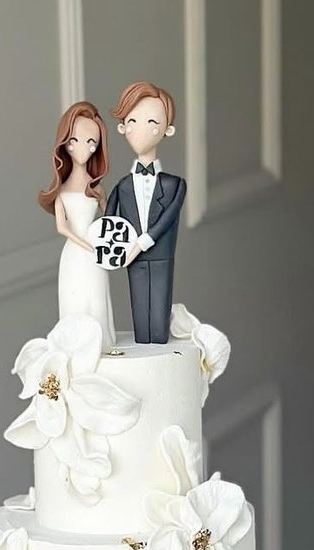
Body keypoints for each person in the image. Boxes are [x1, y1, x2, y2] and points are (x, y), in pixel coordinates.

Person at [106, 81, 186, 345]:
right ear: (122, 127)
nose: (140, 129)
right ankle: (145, 342)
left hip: (161, 255)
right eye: (132, 121)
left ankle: (158, 341)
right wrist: (109, 251)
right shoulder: (122, 186)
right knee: (140, 312)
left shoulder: (175, 185)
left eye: (152, 122)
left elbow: (169, 216)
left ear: (168, 129)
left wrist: (143, 241)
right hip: (132, 259)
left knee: (159, 318)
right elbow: (110, 221)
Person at [39, 101, 115, 350]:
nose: (84, 147)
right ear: (65, 143)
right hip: (75, 253)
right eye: (75, 140)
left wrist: (109, 241)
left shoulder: (97, 189)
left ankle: (101, 344)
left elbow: (112, 216)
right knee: (76, 298)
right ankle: (76, 348)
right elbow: (61, 227)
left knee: (96, 298)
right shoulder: (61, 191)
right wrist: (85, 244)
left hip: (95, 253)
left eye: (92, 142)